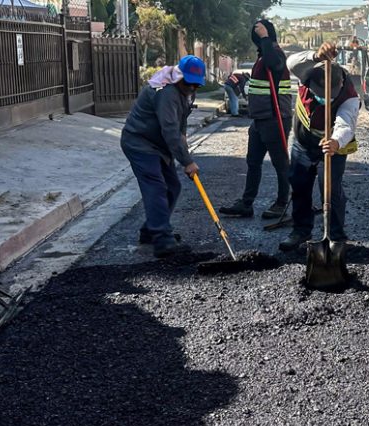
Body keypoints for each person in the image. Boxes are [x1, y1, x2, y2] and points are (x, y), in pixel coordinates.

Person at [277, 42, 359, 252]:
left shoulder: (349, 96)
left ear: (339, 84)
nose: (324, 98)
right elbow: (291, 61)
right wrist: (315, 55)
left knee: (330, 189)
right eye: (320, 92)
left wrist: (335, 141)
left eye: (328, 94)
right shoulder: (307, 72)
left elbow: (346, 124)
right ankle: (301, 230)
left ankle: (335, 236)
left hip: (334, 146)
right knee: (300, 184)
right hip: (304, 142)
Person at [120, 55, 204, 258]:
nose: (192, 89)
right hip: (140, 143)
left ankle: (151, 230)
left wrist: (183, 138)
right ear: (179, 76)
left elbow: (180, 121)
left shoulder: (184, 91)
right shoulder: (166, 92)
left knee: (173, 186)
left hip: (159, 145)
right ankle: (162, 240)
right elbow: (169, 130)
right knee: (156, 186)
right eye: (189, 84)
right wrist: (187, 161)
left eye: (196, 86)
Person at [218, 20, 292, 220]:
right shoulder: (262, 56)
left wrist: (266, 37)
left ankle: (283, 203)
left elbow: (274, 64)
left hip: (275, 118)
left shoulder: (275, 53)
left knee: (280, 163)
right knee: (253, 162)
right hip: (259, 120)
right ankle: (246, 203)